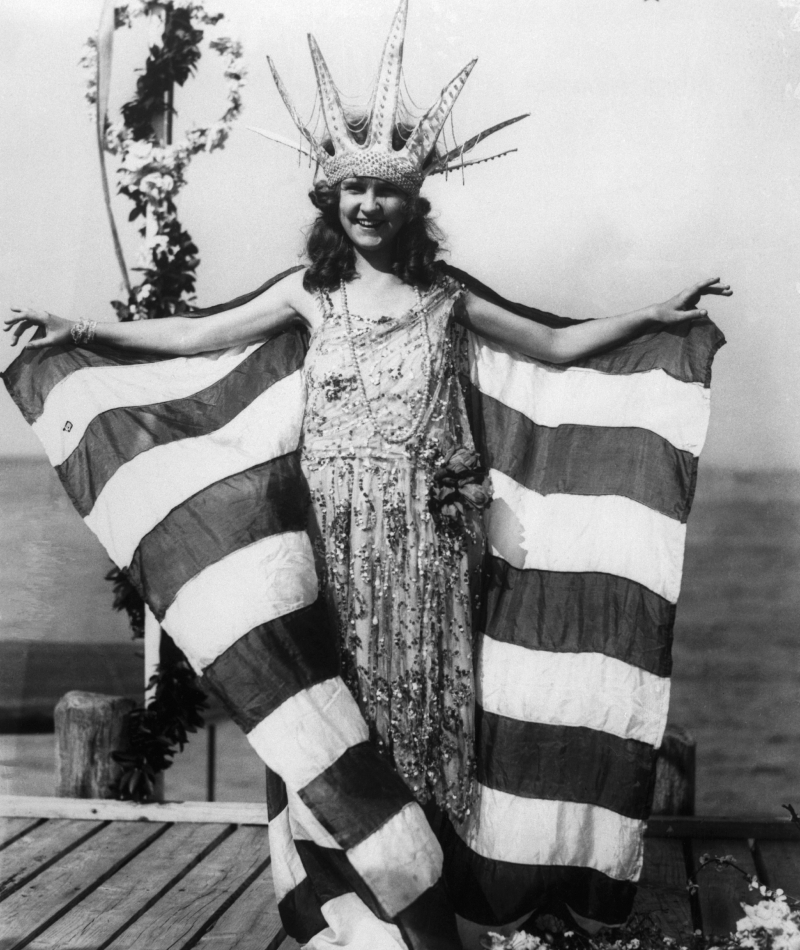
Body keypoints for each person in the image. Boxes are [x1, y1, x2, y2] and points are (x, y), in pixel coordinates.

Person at [3, 2, 731, 948]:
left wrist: (651, 314)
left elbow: (553, 343)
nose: (367, 207)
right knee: (333, 722)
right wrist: (84, 329)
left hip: (428, 555)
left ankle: (424, 916)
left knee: (422, 727)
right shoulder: (310, 293)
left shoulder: (446, 299)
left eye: (385, 193)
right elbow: (192, 336)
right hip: (332, 550)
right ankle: (354, 911)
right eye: (352, 192)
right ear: (331, 203)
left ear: (412, 205)